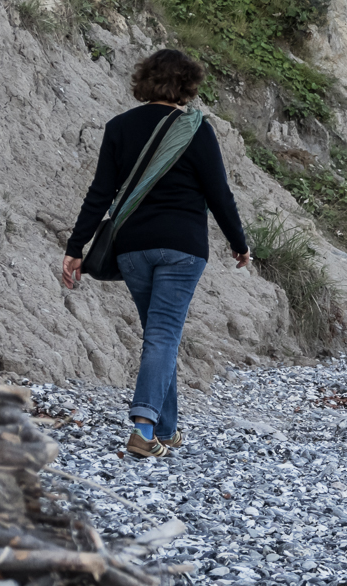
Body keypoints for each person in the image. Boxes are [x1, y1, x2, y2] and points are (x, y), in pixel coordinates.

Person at [63, 49, 251, 458]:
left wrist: (75, 248)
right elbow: (219, 194)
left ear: (145, 80)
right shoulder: (196, 129)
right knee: (163, 336)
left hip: (133, 248)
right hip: (183, 248)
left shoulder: (119, 127)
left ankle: (166, 429)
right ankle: (143, 430)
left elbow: (100, 195)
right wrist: (239, 243)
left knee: (158, 336)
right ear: (188, 84)